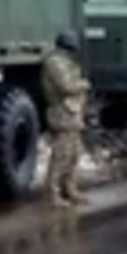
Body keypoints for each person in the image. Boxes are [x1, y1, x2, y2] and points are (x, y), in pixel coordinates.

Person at [41, 30, 91, 209]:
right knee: (61, 155)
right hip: (62, 113)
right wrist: (84, 84)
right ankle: (52, 194)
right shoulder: (55, 63)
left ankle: (69, 189)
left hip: (71, 113)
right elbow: (66, 86)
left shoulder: (65, 62)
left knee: (74, 153)